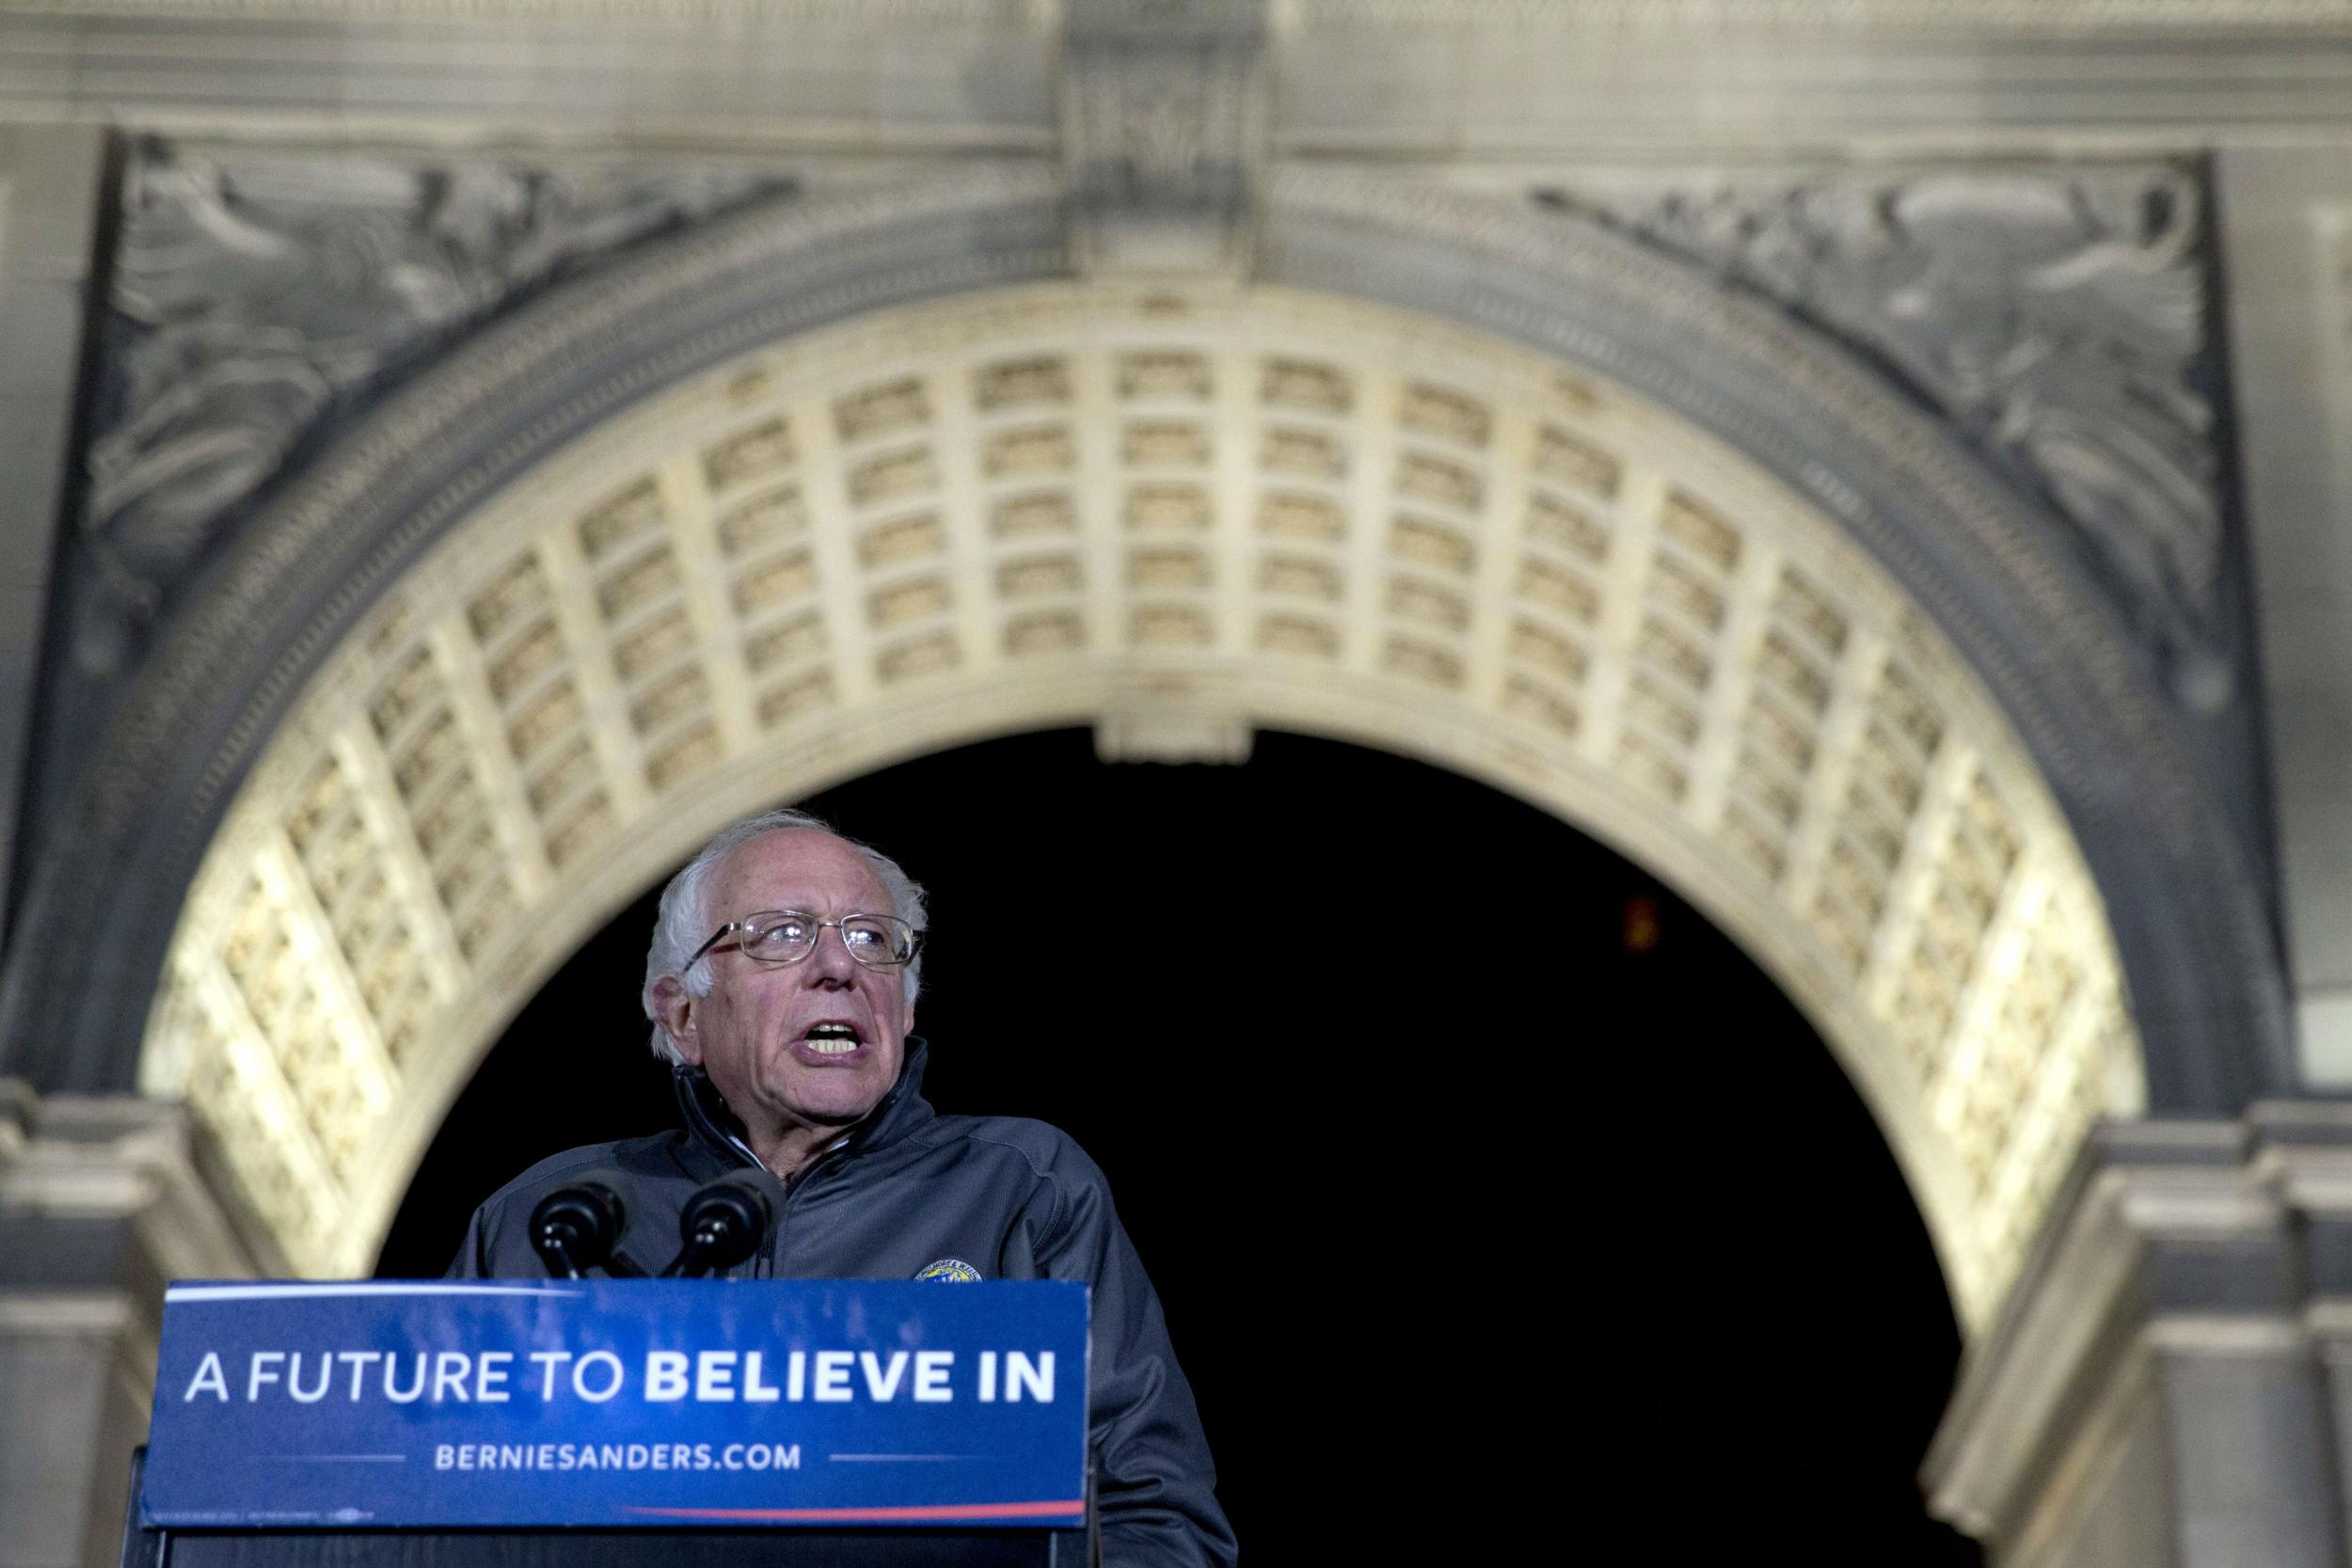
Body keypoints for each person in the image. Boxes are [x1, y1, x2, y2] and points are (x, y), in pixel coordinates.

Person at [446, 806, 1237, 1567]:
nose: (839, 967)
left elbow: (1159, 1521)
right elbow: (426, 1497)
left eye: (873, 939)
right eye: (782, 935)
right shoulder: (552, 1218)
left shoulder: (1023, 1188)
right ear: (682, 1014)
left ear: (907, 1002)